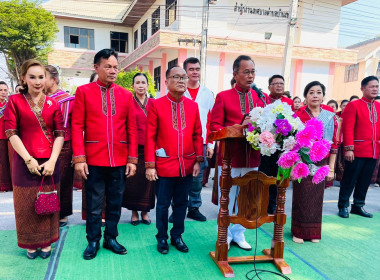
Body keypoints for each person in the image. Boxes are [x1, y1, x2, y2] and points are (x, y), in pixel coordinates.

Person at [71, 49, 138, 260]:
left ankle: (111, 238)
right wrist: (79, 158)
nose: (113, 70)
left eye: (116, 67)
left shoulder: (126, 95)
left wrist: (132, 159)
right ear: (96, 68)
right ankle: (92, 241)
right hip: (93, 159)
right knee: (94, 203)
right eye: (108, 66)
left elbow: (132, 129)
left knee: (116, 203)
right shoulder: (83, 91)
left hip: (119, 158)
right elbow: (76, 126)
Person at [4, 59, 65, 259]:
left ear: (47, 79)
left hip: (50, 163)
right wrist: (29, 160)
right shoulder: (15, 101)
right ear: (23, 78)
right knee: (25, 205)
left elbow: (59, 134)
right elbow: (11, 132)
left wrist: (53, 161)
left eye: (41, 77)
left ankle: (47, 242)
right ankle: (31, 244)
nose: (37, 81)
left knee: (48, 203)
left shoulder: (54, 103)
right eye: (32, 77)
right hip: (23, 162)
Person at [210, 55, 270, 250]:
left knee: (247, 198)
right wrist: (237, 127)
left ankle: (239, 233)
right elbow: (214, 126)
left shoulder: (261, 97)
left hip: (253, 156)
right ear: (235, 74)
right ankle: (225, 235)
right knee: (228, 197)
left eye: (253, 72)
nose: (250, 76)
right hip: (230, 157)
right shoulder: (223, 96)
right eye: (246, 72)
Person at [145, 66, 203, 255]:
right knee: (162, 204)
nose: (181, 80)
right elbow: (150, 137)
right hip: (163, 165)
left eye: (184, 77)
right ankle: (161, 237)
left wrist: (197, 160)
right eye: (176, 77)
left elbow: (197, 135)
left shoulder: (193, 106)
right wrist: (150, 165)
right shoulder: (156, 104)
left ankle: (177, 235)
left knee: (181, 203)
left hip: (186, 165)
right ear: (166, 81)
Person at [292, 81, 339, 243]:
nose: (315, 95)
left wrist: (331, 168)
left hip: (322, 161)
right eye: (311, 92)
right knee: (302, 195)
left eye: (318, 92)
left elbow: (334, 144)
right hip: (302, 160)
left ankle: (313, 233)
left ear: (323, 96)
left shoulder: (329, 116)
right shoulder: (298, 115)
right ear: (306, 96)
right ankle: (299, 231)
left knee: (317, 197)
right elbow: (292, 141)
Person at [338, 76, 380, 219]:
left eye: (377, 86)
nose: (375, 89)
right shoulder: (354, 105)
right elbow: (347, 128)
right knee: (349, 179)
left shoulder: (379, 106)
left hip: (373, 150)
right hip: (356, 150)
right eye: (371, 86)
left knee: (365, 181)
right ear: (362, 89)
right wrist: (349, 148)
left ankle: (358, 205)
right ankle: (343, 205)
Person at [182, 57, 214, 222]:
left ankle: (194, 208)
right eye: (191, 69)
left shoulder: (207, 93)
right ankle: (178, 208)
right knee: (179, 176)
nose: (195, 72)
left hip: (200, 142)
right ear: (185, 72)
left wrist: (210, 144)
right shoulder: (179, 90)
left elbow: (210, 120)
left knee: (197, 177)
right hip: (180, 141)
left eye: (197, 69)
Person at [122, 73, 155, 226]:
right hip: (133, 148)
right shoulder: (128, 102)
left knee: (148, 181)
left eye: (143, 82)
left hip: (150, 148)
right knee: (133, 181)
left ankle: (145, 212)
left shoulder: (154, 103)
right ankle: (134, 213)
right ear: (133, 86)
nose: (141, 85)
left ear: (148, 85)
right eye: (137, 83)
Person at [45, 65, 75, 227]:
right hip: (44, 144)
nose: (41, 81)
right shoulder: (40, 98)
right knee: (47, 180)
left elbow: (74, 127)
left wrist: (76, 153)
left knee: (63, 180)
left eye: (44, 77)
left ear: (54, 80)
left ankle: (63, 213)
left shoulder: (67, 99)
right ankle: (48, 210)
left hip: (64, 145)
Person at [260, 74, 292, 214]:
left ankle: (272, 204)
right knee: (263, 174)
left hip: (281, 146)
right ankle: (261, 203)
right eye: (276, 83)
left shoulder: (288, 103)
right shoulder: (263, 101)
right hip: (265, 146)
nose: (279, 86)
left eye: (281, 83)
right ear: (269, 87)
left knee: (276, 175)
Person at [0, 81, 12, 192]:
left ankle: (6, 185)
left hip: (7, 137)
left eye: (5, 90)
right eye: (0, 90)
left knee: (6, 162)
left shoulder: (9, 105)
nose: (3, 92)